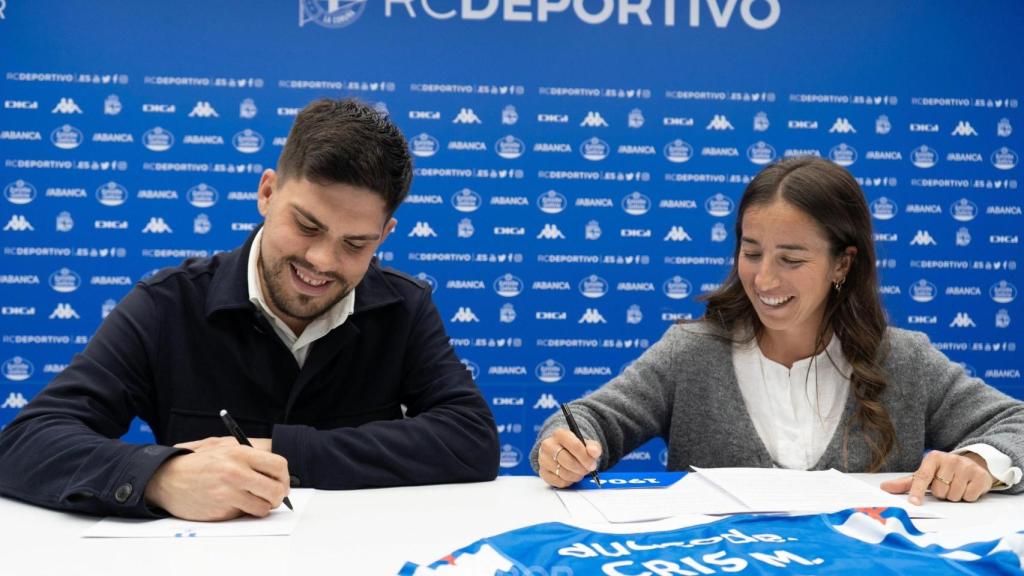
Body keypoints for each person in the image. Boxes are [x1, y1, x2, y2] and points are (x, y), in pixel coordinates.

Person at [0, 98, 499, 520]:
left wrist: (278, 450)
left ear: (384, 236)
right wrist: (159, 476)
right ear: (267, 193)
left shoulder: (403, 307)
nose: (322, 262)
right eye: (306, 226)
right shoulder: (167, 304)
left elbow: (471, 439)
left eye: (355, 244)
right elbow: (24, 444)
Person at [531, 156, 1024, 505]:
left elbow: (1014, 426)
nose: (764, 279)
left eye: (791, 259)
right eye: (751, 252)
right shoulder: (691, 352)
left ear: (842, 264)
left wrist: (981, 463)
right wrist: (564, 446)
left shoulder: (904, 360)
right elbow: (584, 422)